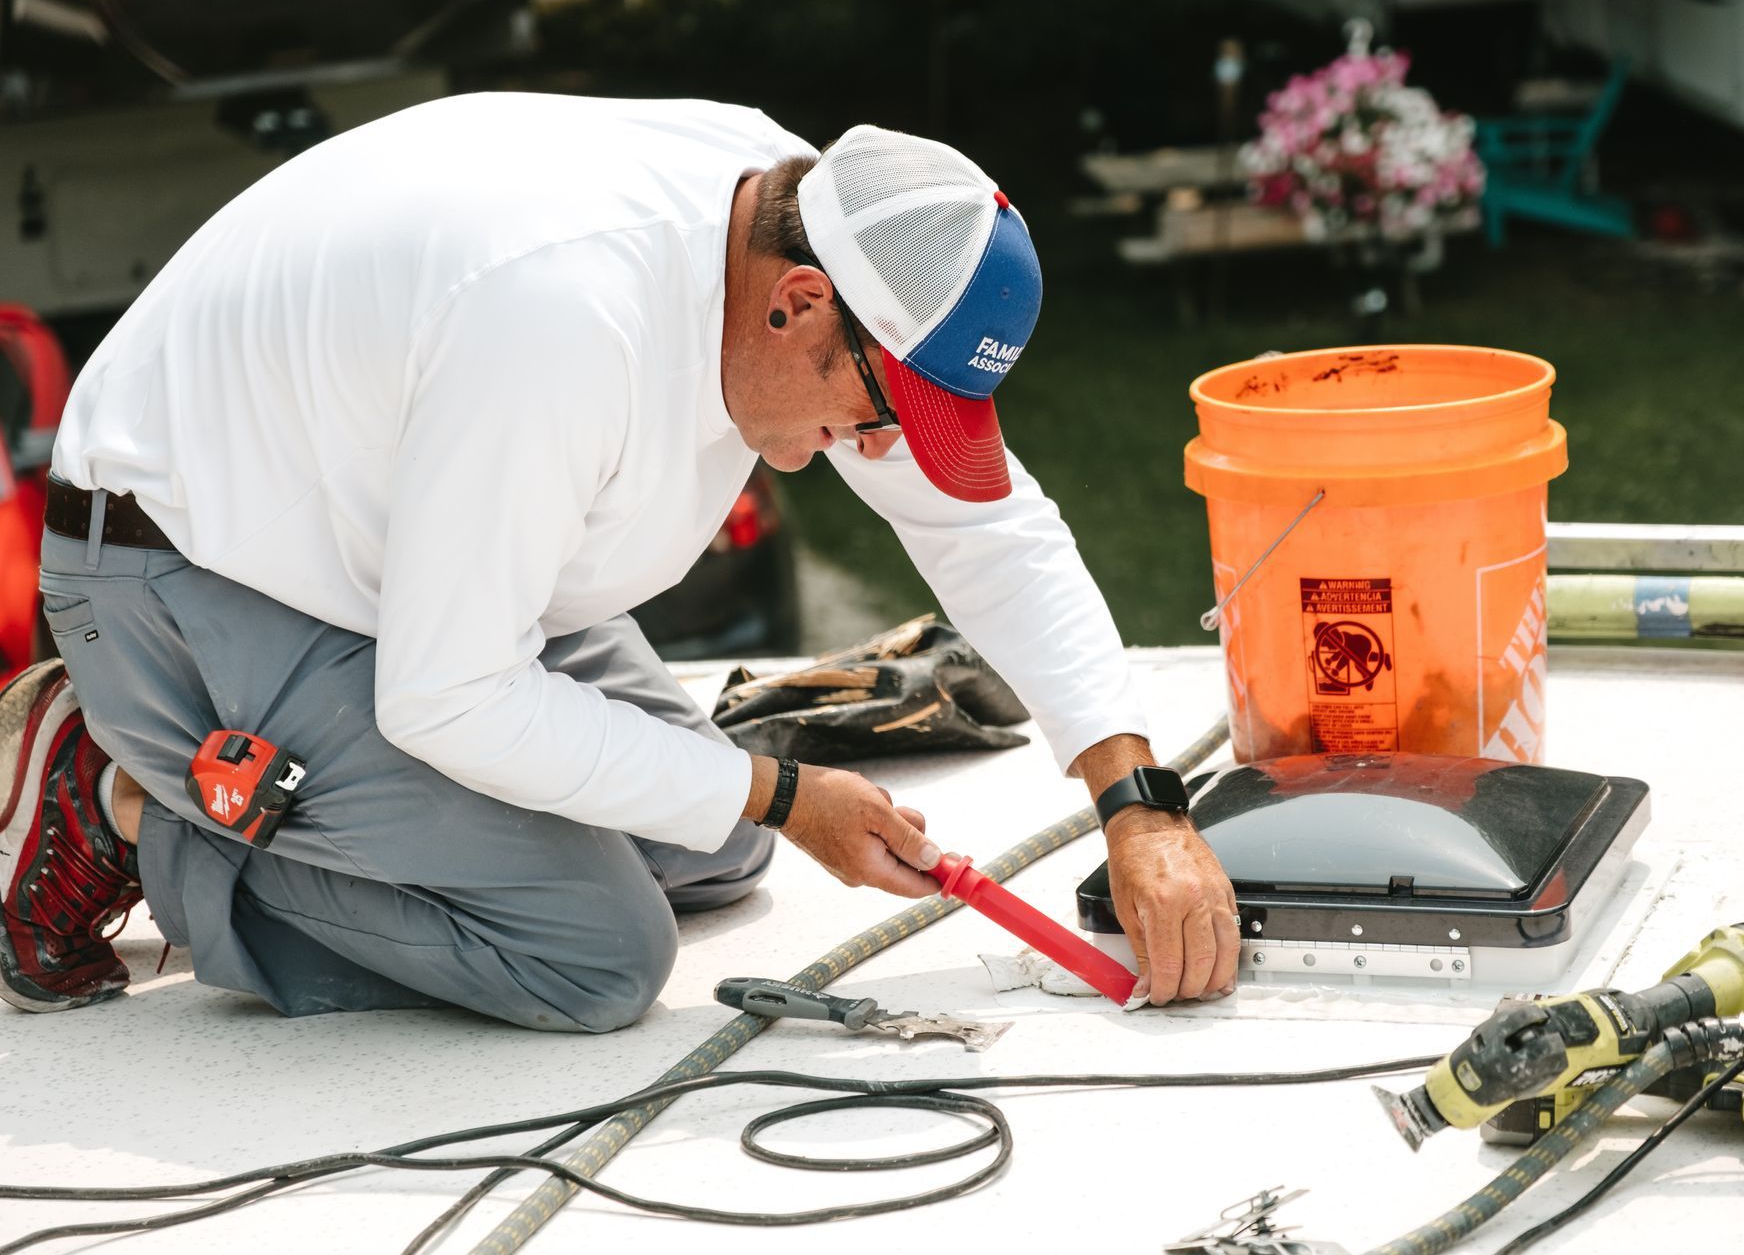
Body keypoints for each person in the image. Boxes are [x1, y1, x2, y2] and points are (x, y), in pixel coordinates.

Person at [0, 96, 1238, 1031]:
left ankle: (226, 782)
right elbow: (451, 695)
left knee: (720, 843)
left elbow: (987, 529)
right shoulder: (564, 319)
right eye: (875, 418)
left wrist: (1139, 805)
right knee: (594, 956)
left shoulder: (811, 223)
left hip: (388, 554)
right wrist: (790, 793)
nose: (872, 454)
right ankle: (124, 796)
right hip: (192, 568)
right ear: (796, 304)